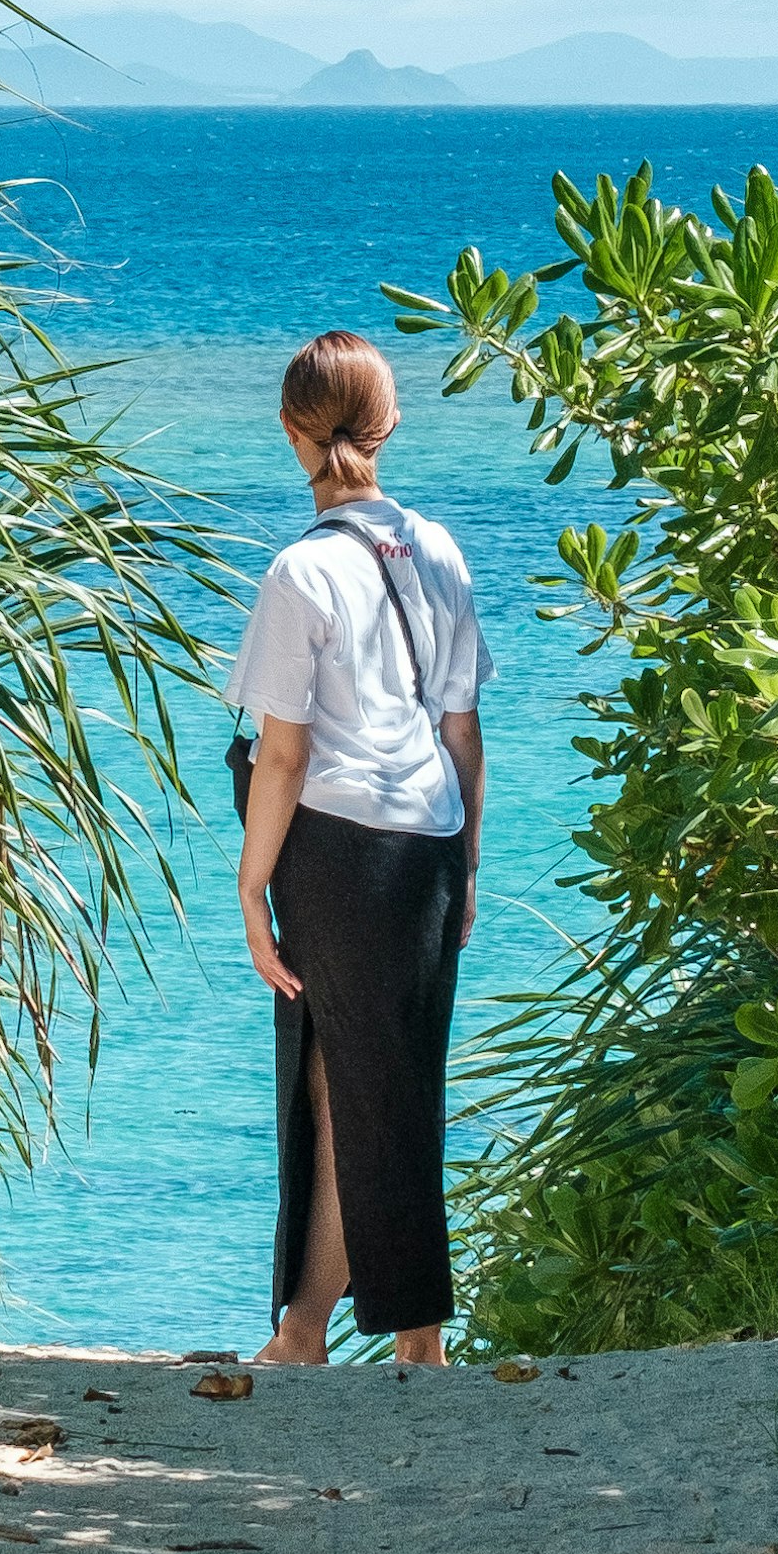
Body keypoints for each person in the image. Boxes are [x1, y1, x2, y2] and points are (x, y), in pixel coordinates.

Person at [231, 329, 492, 1368]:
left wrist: (253, 887)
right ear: (386, 427)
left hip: (338, 850)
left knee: (353, 1084)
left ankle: (417, 1338)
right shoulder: (439, 548)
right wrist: (466, 864)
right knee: (371, 1080)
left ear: (294, 431)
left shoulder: (302, 571)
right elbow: (463, 731)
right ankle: (308, 1328)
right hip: (428, 843)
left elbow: (283, 755)